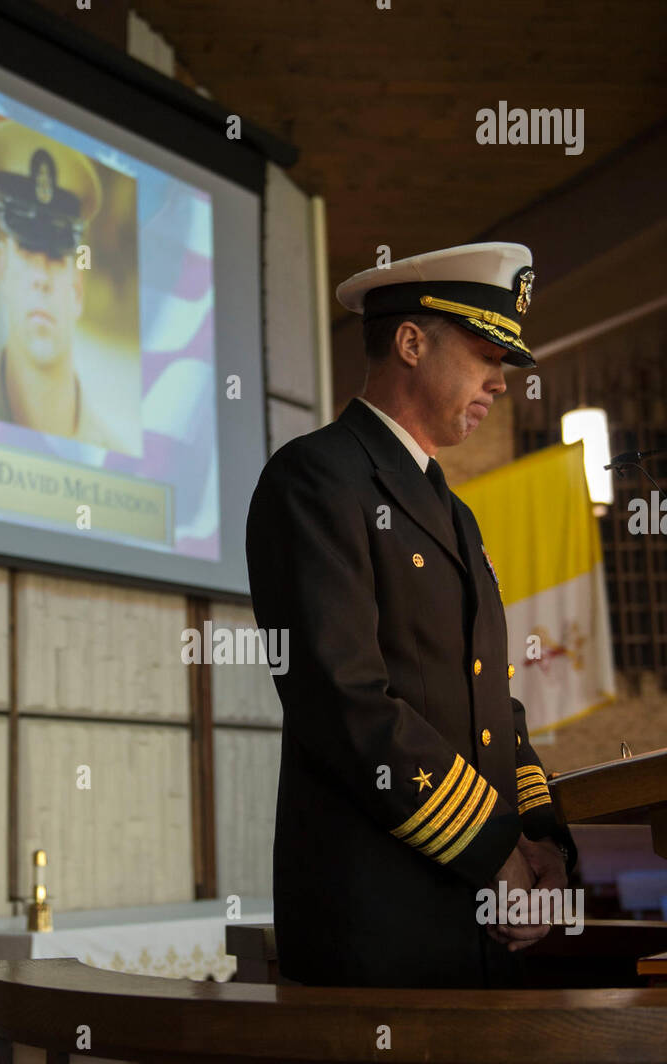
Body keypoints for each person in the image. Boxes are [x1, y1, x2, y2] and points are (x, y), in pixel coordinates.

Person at [246, 242, 577, 988]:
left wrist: (538, 836)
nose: (500, 379)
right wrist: (493, 850)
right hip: (379, 917)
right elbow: (344, 700)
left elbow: (494, 699)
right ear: (410, 341)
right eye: (486, 352)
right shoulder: (317, 478)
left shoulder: (454, 512)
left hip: (483, 907)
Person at [0, 121, 116, 446]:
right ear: (0, 270)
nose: (41, 279)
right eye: (26, 250)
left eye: (55, 256)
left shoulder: (114, 453)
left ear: (77, 290)